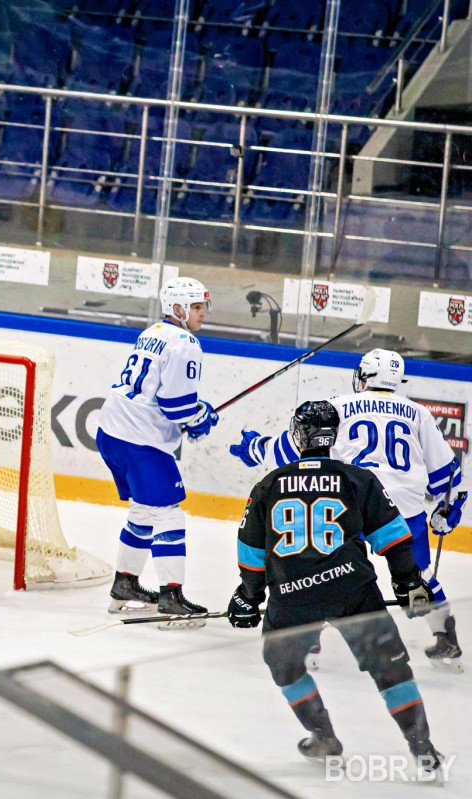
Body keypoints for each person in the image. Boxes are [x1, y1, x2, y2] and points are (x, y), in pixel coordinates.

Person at [227, 400, 444, 776]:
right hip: (352, 589)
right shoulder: (357, 479)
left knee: (284, 664)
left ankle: (323, 738)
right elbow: (394, 537)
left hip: (292, 597)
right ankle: (423, 749)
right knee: (390, 668)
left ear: (298, 436)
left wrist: (248, 595)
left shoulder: (270, 484)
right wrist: (407, 581)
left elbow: (251, 551)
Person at [229, 349, 464, 672]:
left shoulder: (338, 406)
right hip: (402, 506)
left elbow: (288, 451)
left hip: (350, 500)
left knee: (321, 568)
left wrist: (255, 447)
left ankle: (307, 642)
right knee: (418, 574)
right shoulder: (417, 412)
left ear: (364, 377)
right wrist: (449, 506)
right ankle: (445, 637)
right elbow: (446, 474)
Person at [95, 277, 218, 618]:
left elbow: (162, 394)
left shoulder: (153, 331)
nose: (201, 314)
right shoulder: (186, 343)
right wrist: (200, 416)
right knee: (167, 513)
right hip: (140, 442)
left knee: (142, 510)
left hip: (111, 432)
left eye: (202, 306)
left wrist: (194, 412)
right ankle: (171, 596)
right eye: (195, 307)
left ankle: (125, 583)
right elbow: (175, 408)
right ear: (177, 309)